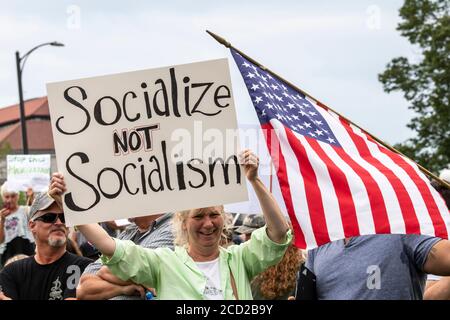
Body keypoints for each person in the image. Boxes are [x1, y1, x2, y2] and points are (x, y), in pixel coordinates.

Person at [49, 149, 292, 300]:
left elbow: (279, 232)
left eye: (213, 215)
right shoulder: (164, 262)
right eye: (198, 216)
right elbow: (108, 245)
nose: (208, 223)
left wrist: (254, 179)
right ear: (183, 223)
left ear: (224, 218)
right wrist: (69, 206)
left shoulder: (240, 259)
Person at [0, 193, 92, 300]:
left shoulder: (86, 268)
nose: (58, 223)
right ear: (32, 225)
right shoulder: (11, 272)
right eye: (49, 217)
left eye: (64, 218)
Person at [77, 213, 174, 300]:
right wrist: (122, 288)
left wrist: (107, 274)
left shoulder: (172, 228)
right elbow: (83, 288)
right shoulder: (129, 231)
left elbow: (105, 271)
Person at [0, 182, 35, 267]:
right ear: (3, 198)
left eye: (13, 196)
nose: (10, 200)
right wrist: (2, 220)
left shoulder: (25, 210)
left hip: (27, 250)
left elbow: (36, 213)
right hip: (8, 254)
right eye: (7, 197)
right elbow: (1, 240)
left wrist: (31, 197)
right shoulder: (1, 215)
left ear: (18, 196)